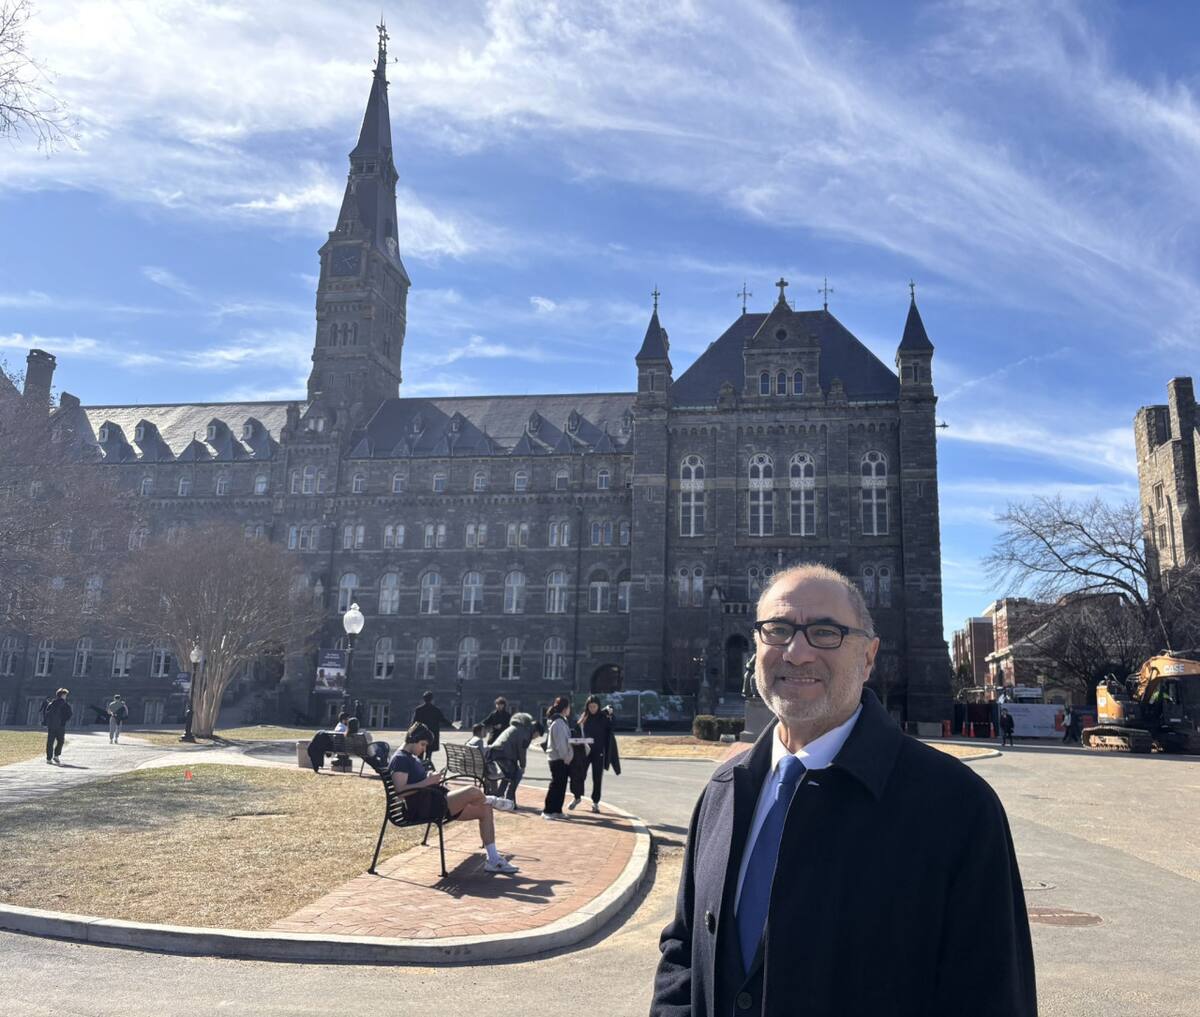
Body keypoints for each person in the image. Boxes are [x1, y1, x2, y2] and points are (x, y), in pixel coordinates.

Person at [652, 563, 1036, 1017]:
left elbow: (991, 998)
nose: (796, 652)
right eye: (777, 630)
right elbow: (682, 955)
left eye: (826, 632)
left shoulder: (957, 809)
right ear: (757, 646)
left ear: (869, 656)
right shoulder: (723, 793)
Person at [388, 723, 519, 874]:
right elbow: (401, 792)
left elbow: (416, 783)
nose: (423, 749)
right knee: (472, 791)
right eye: (422, 744)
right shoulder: (400, 759)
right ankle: (493, 800)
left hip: (434, 801)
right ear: (413, 739)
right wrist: (428, 781)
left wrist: (430, 779)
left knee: (485, 809)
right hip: (426, 807)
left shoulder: (409, 757)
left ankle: (493, 860)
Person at [569, 695, 619, 813]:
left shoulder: (604, 717)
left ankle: (595, 803)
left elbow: (613, 726)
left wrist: (612, 715)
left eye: (594, 706)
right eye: (590, 706)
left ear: (598, 706)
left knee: (597, 778)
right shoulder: (584, 717)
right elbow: (576, 731)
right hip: (585, 751)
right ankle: (577, 797)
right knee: (580, 774)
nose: (592, 709)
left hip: (598, 753)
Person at [487, 712, 535, 804]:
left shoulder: (513, 727)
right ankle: (509, 798)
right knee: (517, 773)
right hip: (503, 754)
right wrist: (523, 765)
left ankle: (499, 794)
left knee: (508, 774)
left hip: (497, 752)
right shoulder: (521, 731)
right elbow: (521, 750)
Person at [541, 697, 574, 820]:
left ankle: (557, 810)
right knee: (556, 785)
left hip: (560, 758)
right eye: (569, 707)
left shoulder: (561, 721)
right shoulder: (558, 722)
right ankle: (548, 810)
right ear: (565, 708)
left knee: (561, 785)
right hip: (558, 758)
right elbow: (561, 743)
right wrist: (566, 757)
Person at [411, 691, 451, 763]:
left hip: (421, 735)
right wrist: (452, 724)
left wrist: (411, 733)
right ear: (432, 699)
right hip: (432, 735)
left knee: (419, 755)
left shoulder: (419, 709)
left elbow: (414, 723)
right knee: (429, 755)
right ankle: (427, 767)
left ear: (424, 699)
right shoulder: (436, 710)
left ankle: (419, 768)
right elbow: (443, 720)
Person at [43, 688, 73, 765]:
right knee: (60, 741)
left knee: (50, 742)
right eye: (65, 695)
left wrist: (47, 723)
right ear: (63, 695)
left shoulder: (51, 703)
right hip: (60, 726)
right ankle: (56, 755)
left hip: (51, 725)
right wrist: (63, 721)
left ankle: (48, 758)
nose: (66, 697)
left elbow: (46, 714)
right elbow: (69, 714)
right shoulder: (65, 704)